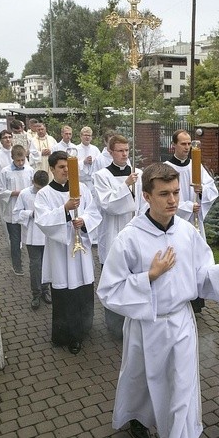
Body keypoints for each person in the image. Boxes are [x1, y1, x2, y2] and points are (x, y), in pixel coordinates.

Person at [97, 162, 219, 438]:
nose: (172, 200)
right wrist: (149, 276)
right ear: (146, 196)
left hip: (181, 322)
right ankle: (139, 417)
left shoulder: (186, 232)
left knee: (182, 387)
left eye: (176, 192)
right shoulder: (129, 239)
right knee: (143, 382)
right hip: (146, 325)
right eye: (164, 194)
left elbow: (201, 274)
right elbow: (109, 290)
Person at [34, 151, 102, 354]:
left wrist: (84, 221)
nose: (65, 170)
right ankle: (65, 334)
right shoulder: (44, 194)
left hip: (80, 251)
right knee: (65, 293)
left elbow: (94, 212)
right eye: (61, 167)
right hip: (60, 252)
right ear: (52, 169)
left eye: (68, 167)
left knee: (82, 290)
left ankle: (83, 329)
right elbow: (42, 220)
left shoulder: (83, 190)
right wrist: (64, 208)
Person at [93, 134, 146, 338]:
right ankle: (114, 325)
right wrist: (126, 186)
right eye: (120, 151)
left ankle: (132, 318)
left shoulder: (137, 174)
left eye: (127, 150)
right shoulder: (102, 176)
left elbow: (143, 204)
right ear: (110, 152)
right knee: (114, 280)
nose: (125, 154)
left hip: (135, 234)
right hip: (112, 234)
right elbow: (108, 205)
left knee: (132, 278)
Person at [164, 129, 219, 313]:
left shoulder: (196, 165)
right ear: (174, 145)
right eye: (183, 144)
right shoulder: (166, 168)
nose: (187, 147)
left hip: (196, 223)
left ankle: (196, 301)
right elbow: (163, 198)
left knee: (195, 259)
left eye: (189, 144)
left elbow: (212, 189)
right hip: (175, 222)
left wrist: (202, 191)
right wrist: (187, 206)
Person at [13, 170, 52, 310]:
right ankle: (36, 293)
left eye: (42, 188)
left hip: (48, 235)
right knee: (35, 265)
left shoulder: (51, 192)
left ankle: (45, 290)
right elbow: (16, 213)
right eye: (37, 188)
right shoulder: (25, 194)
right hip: (32, 235)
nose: (40, 191)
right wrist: (30, 214)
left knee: (47, 263)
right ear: (32, 182)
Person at [0, 145, 34, 276]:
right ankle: (17, 266)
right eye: (18, 160)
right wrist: (13, 193)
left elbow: (34, 189)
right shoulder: (5, 172)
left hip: (26, 211)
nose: (20, 163)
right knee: (15, 240)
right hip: (12, 210)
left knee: (29, 239)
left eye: (23, 160)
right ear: (12, 158)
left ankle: (33, 264)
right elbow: (0, 190)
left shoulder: (30, 170)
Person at [76, 126, 101, 195]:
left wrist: (92, 163)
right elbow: (72, 165)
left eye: (89, 135)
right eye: (85, 135)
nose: (87, 137)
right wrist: (83, 162)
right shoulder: (75, 149)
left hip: (92, 182)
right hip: (80, 181)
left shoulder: (95, 149)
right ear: (81, 136)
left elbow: (99, 164)